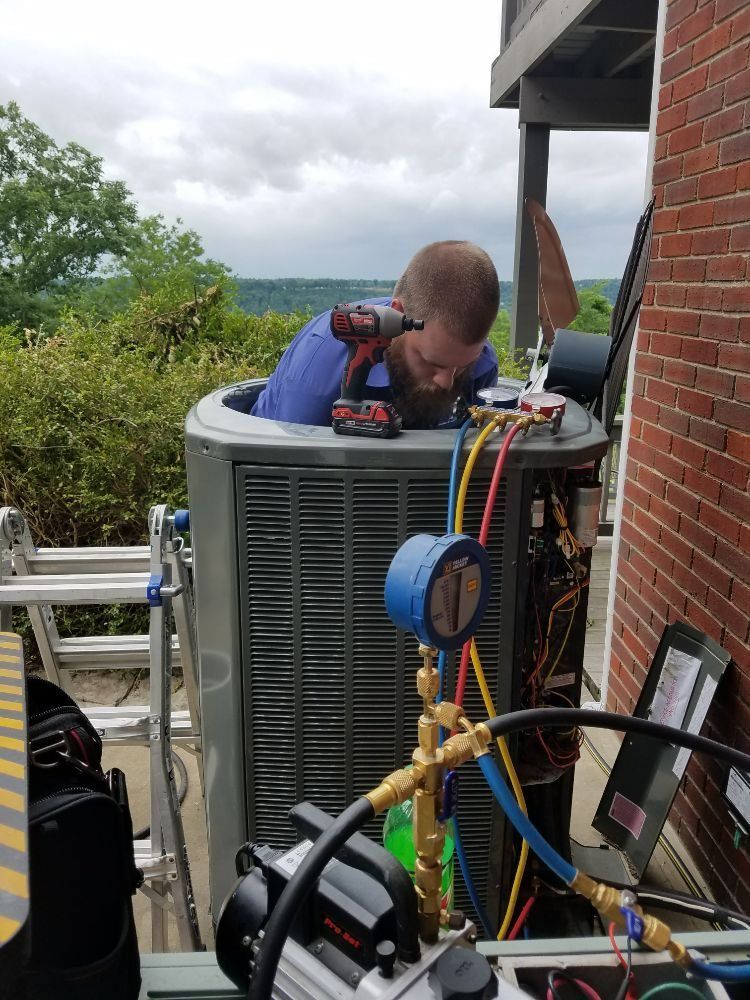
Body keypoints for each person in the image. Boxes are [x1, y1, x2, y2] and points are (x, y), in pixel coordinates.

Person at [251, 240, 500, 429]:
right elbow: (286, 471)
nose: (447, 381)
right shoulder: (318, 374)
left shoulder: (482, 362)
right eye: (431, 363)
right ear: (398, 317)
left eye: (465, 365)